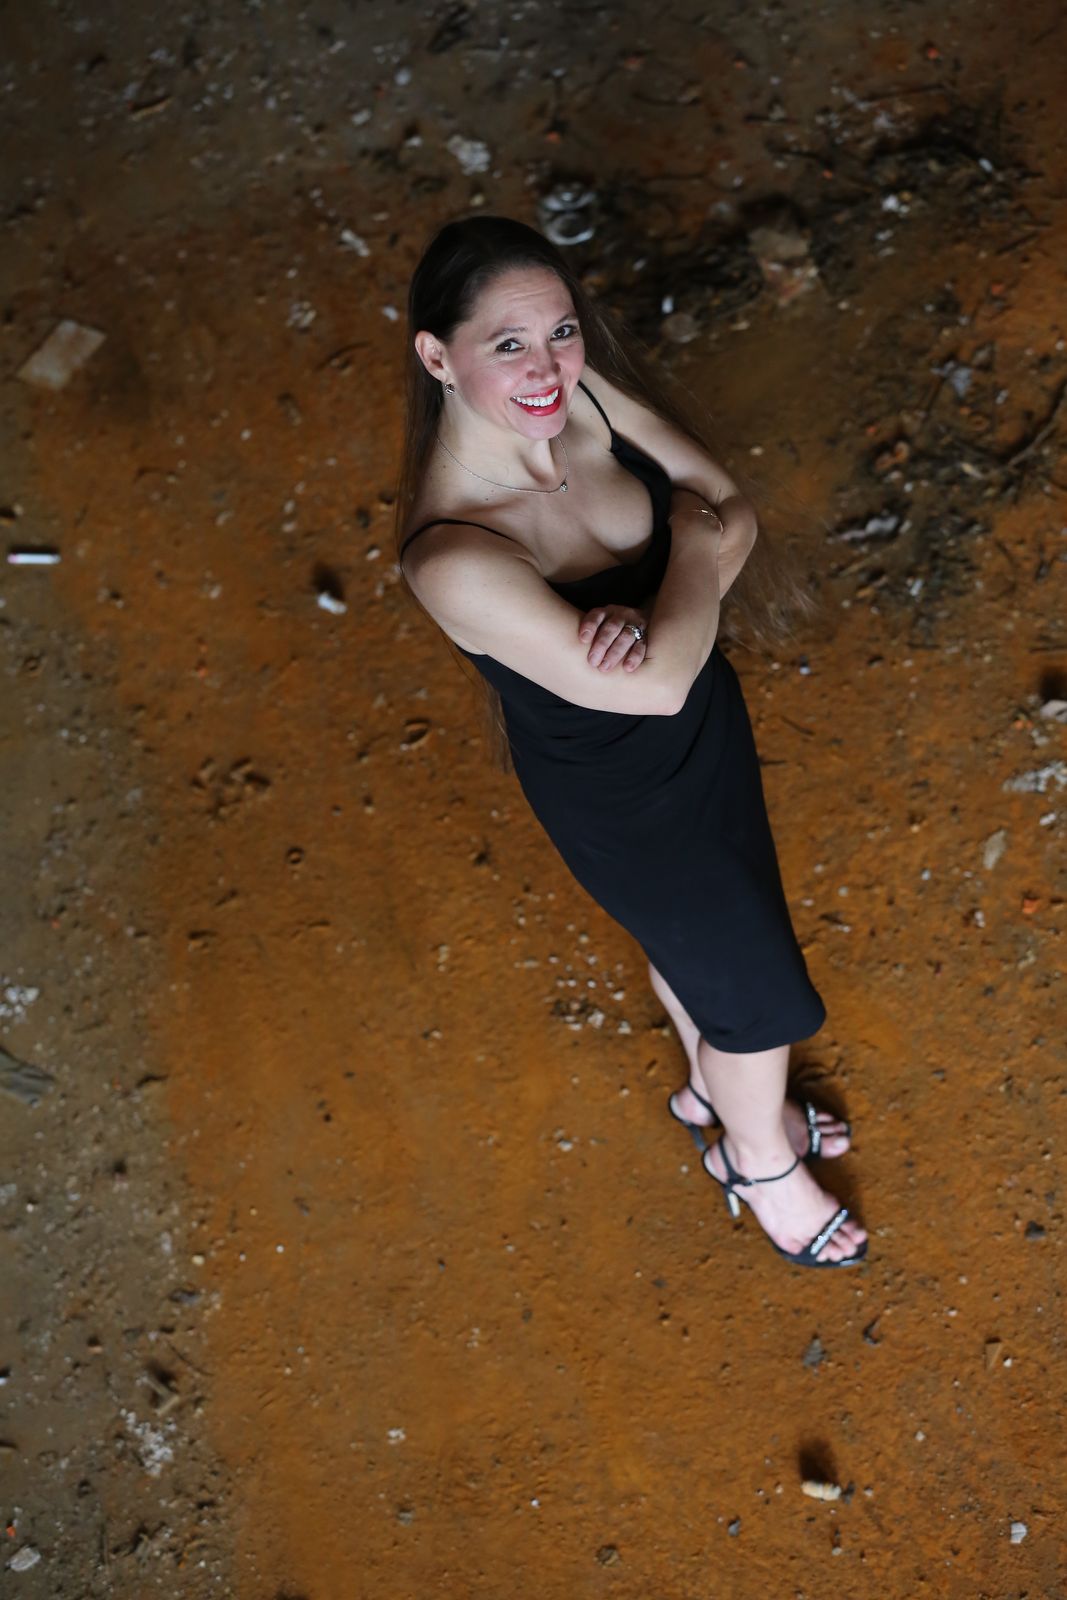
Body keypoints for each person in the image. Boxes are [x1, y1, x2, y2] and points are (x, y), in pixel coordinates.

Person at [396, 215, 867, 1269]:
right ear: (437, 356)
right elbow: (659, 672)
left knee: (701, 945)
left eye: (560, 331)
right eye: (506, 344)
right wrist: (688, 554)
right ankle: (757, 1158)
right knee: (755, 1002)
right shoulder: (452, 553)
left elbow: (735, 509)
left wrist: (674, 601)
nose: (546, 367)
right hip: (623, 800)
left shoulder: (582, 400)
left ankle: (711, 1094)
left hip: (707, 732)